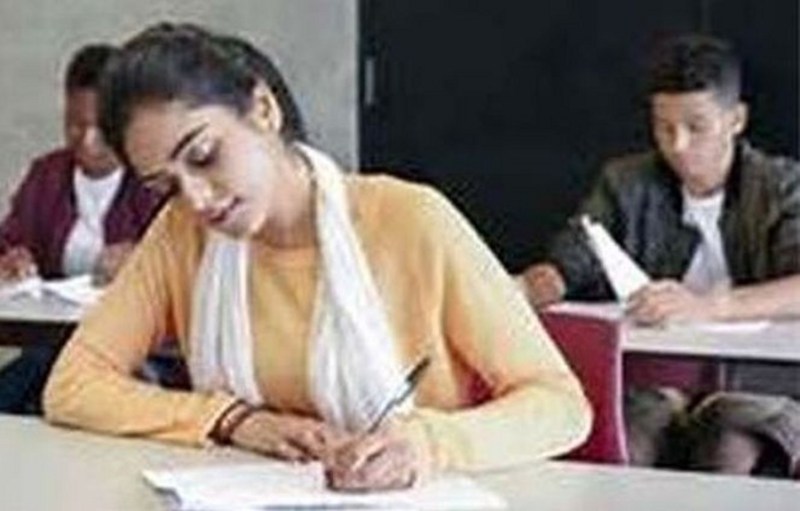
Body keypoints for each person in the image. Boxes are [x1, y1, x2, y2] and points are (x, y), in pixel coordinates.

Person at [43, 23, 591, 492]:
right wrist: (233, 420)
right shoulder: (181, 235)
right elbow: (72, 385)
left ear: (263, 109)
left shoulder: (411, 220)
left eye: (205, 156)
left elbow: (560, 405)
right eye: (166, 186)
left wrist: (426, 442)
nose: (198, 200)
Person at [518, 34, 800, 477]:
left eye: (696, 127)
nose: (678, 144)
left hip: (754, 379)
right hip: (655, 374)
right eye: (663, 127)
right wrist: (527, 287)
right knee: (629, 435)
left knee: (728, 442)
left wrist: (708, 306)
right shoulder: (626, 182)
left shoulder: (781, 185)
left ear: (736, 119)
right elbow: (574, 257)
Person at [0, 44, 164, 414]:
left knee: (48, 372)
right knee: (47, 370)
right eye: (75, 125)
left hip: (132, 347)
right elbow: (8, 242)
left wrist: (142, 261)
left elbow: (186, 264)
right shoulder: (47, 174)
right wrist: (12, 262)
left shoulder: (152, 180)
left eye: (101, 129)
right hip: (55, 337)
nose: (87, 141)